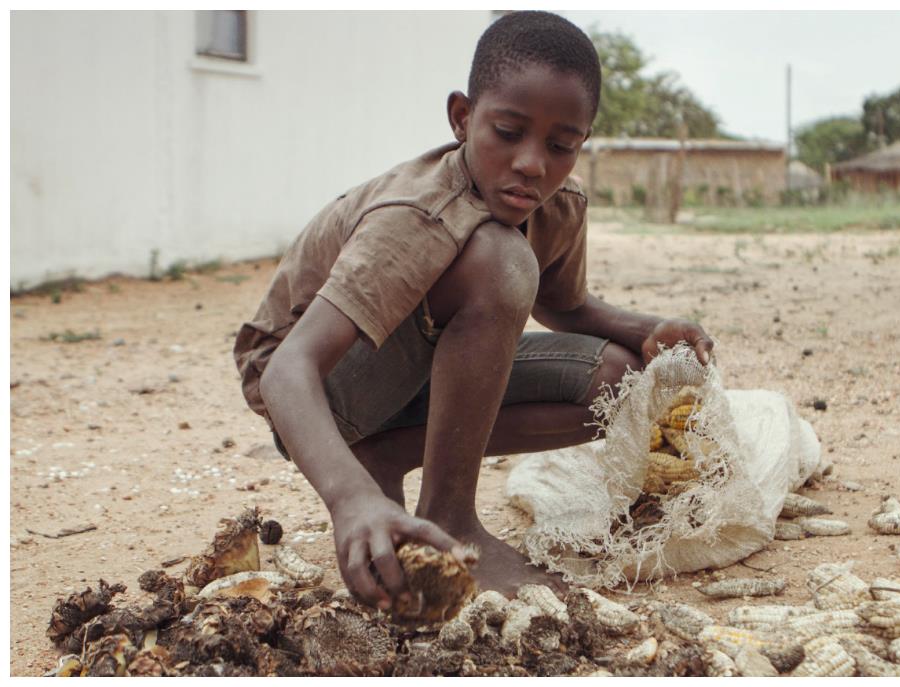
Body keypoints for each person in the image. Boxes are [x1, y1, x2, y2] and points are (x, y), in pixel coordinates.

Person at [233, 11, 713, 611]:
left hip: (404, 375)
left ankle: (387, 453)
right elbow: (287, 369)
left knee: (618, 381)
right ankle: (450, 515)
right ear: (462, 118)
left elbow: (566, 308)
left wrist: (649, 330)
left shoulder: (557, 204)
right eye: (508, 132)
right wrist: (349, 498)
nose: (533, 163)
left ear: (581, 142)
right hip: (318, 388)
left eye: (560, 145)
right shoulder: (417, 214)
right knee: (498, 259)